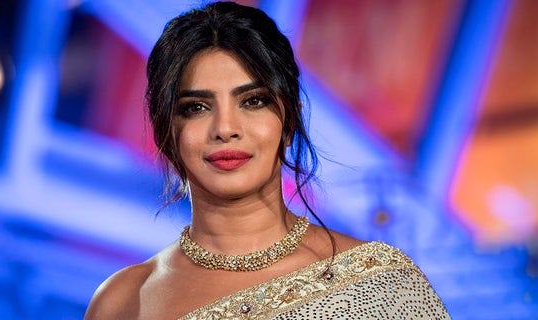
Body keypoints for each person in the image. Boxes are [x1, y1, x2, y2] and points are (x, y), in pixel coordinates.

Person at [84, 2, 450, 319]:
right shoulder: (123, 303)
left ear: (289, 119)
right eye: (196, 108)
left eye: (252, 101)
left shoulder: (377, 283)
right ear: (166, 131)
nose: (225, 128)